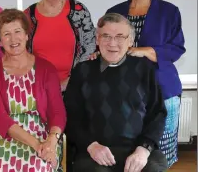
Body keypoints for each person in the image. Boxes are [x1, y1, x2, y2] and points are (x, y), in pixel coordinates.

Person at [106, 0, 186, 167]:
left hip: (163, 90)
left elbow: (176, 48)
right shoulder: (114, 13)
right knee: (131, 152)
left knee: (161, 153)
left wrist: (144, 50)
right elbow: (107, 45)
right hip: (125, 93)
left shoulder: (170, 12)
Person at [64, 13, 168, 172]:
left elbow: (158, 114)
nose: (112, 43)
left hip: (136, 149)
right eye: (106, 36)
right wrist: (91, 145)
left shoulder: (144, 69)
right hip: (95, 151)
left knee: (153, 168)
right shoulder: (82, 70)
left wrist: (143, 149)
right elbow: (71, 116)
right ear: (97, 39)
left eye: (120, 36)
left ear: (130, 41)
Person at [0, 9, 66, 172]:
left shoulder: (46, 69)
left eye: (18, 31)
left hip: (41, 133)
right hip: (0, 135)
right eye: (6, 34)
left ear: (26, 35)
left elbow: (57, 111)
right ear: (0, 41)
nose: (13, 39)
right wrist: (37, 145)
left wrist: (51, 140)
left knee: (39, 167)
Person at [24, 0, 96, 92]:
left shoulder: (79, 11)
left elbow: (89, 47)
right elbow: (23, 52)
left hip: (76, 87)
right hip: (38, 88)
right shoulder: (28, 15)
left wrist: (69, 81)